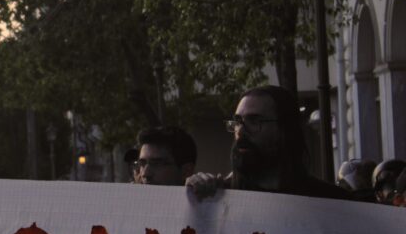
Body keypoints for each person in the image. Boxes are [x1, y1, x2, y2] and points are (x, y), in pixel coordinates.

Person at [186, 85, 353, 201]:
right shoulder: (216, 197)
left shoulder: (331, 202)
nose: (240, 131)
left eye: (254, 121)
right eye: (237, 122)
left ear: (285, 129)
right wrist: (193, 195)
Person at [132, 125, 197, 186]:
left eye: (156, 164)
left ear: (186, 171)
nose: (145, 174)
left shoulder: (202, 196)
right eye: (142, 163)